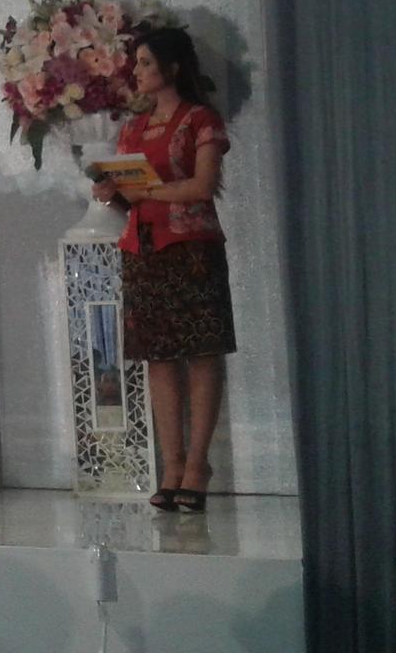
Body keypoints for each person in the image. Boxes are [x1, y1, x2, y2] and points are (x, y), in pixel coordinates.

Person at [90, 26, 235, 513]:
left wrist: (147, 191)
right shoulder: (133, 128)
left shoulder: (200, 119)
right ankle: (171, 466)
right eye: (137, 63)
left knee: (202, 352)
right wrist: (112, 193)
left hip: (191, 248)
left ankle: (197, 465)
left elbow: (202, 185)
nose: (138, 71)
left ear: (173, 68)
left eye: (147, 63)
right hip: (144, 247)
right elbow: (133, 198)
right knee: (159, 357)